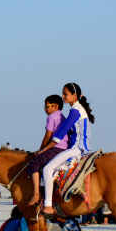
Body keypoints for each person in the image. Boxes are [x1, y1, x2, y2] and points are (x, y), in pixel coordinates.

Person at [42, 82, 94, 215]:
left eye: (65, 94)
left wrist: (44, 149)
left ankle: (48, 206)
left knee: (47, 169)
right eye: (63, 94)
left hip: (77, 149)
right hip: (81, 148)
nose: (63, 96)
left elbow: (61, 131)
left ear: (74, 95)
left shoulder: (75, 110)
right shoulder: (79, 109)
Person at [25, 94, 68, 207]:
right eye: (45, 106)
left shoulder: (52, 117)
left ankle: (36, 194)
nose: (45, 109)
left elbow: (48, 135)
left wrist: (41, 149)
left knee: (34, 163)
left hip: (56, 147)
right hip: (63, 147)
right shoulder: (61, 116)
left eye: (48, 106)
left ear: (55, 106)